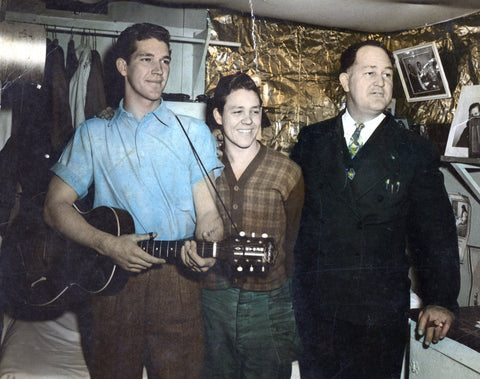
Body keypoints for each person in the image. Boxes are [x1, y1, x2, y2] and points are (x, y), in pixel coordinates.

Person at [43, 23, 223, 378]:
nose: (159, 70)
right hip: (112, 281)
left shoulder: (193, 133)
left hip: (177, 281)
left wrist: (208, 245)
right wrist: (108, 244)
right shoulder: (94, 133)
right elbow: (54, 207)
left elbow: (208, 215)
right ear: (123, 66)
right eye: (147, 59)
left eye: (166, 61)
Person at [290, 40, 460, 378]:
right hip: (317, 313)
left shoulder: (413, 150)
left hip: (377, 318)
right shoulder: (312, 141)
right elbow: (293, 225)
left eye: (386, 74)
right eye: (369, 72)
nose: (380, 82)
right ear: (344, 80)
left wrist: (440, 299)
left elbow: (436, 233)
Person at [182, 72, 304, 378]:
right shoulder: (200, 170)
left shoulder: (287, 172)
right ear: (218, 116)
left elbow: (296, 247)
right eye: (237, 111)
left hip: (269, 306)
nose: (248, 121)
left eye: (255, 111)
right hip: (213, 302)